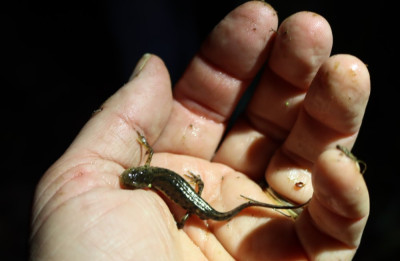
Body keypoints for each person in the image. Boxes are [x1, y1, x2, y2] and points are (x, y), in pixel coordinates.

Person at [29, 1, 370, 260]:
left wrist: (182, 215)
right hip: (196, 204)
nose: (133, 177)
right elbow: (151, 167)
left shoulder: (149, 176)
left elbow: (155, 168)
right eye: (134, 177)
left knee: (195, 206)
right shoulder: (147, 176)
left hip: (198, 207)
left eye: (133, 177)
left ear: (139, 176)